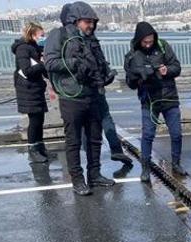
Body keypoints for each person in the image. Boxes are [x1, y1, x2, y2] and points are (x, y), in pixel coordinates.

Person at [44, 1, 117, 196]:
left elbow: (99, 62)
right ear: (76, 20)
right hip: (71, 96)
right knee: (74, 140)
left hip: (93, 94)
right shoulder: (58, 35)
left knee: (94, 139)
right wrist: (75, 63)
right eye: (87, 21)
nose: (91, 25)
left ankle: (95, 175)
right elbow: (50, 63)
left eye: (93, 22)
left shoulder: (91, 39)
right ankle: (77, 179)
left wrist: (106, 74)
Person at [124, 21, 186, 184]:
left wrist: (167, 70)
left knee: (176, 134)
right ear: (139, 40)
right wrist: (139, 77)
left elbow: (177, 67)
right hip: (149, 100)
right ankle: (145, 168)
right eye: (145, 42)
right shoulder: (132, 55)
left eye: (150, 41)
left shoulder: (163, 46)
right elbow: (129, 82)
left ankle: (176, 163)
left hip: (169, 96)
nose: (148, 44)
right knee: (148, 135)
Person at [12, 22, 49, 164]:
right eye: (41, 35)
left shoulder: (35, 47)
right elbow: (26, 70)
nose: (43, 37)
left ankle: (40, 147)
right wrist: (42, 64)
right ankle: (33, 150)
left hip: (36, 87)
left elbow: (42, 67)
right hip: (27, 89)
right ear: (32, 34)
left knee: (40, 119)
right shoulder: (23, 49)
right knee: (34, 120)